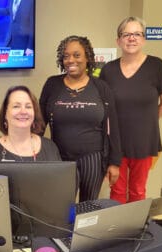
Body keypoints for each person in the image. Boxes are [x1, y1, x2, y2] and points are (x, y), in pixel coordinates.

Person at [39, 35, 122, 202]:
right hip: (60, 157)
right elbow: (39, 123)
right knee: (60, 205)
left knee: (88, 206)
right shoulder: (52, 85)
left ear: (88, 57)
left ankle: (83, 230)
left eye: (77, 55)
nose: (71, 60)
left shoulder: (101, 87)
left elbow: (112, 126)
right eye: (66, 56)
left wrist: (114, 162)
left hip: (93, 159)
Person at [99, 16, 162, 204]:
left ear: (143, 39)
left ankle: (134, 232)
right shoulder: (108, 70)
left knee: (138, 191)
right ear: (118, 40)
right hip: (116, 144)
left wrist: (145, 122)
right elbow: (103, 108)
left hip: (144, 142)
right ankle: (117, 231)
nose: (132, 38)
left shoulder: (157, 66)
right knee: (116, 191)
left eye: (137, 34)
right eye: (126, 34)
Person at [0, 85, 61, 161]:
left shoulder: (50, 148)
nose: (23, 111)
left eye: (28, 106)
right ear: (5, 113)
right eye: (16, 106)